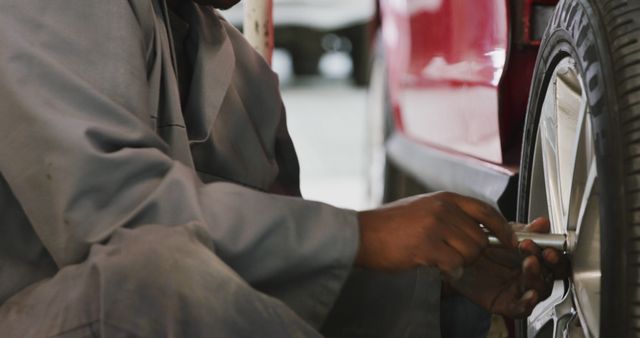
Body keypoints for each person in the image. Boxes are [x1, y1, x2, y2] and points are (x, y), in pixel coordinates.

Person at [0, 0, 566, 337]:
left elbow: (273, 277)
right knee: (155, 281)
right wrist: (364, 234)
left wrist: (441, 278)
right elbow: (117, 212)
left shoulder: (244, 76)